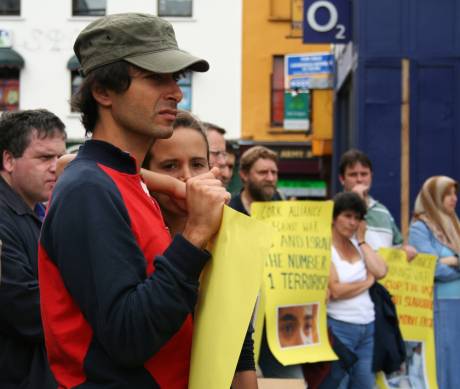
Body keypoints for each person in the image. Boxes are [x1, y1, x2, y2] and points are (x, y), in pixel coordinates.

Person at [38, 13, 230, 389]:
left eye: (176, 78)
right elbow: (130, 335)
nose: (176, 91)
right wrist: (194, 236)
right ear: (104, 91)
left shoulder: (119, 180)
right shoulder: (90, 189)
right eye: (157, 77)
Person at [143, 110, 257, 387]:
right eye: (170, 166)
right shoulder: (135, 233)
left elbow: (239, 342)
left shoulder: (227, 238)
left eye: (197, 164)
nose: (188, 177)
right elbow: (71, 163)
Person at [0, 109, 66, 389]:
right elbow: (26, 309)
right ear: (8, 160)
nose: (56, 167)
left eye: (60, 158)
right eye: (43, 158)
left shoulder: (38, 211)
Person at [328, 191, 387, 389]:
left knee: (365, 384)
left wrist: (362, 240)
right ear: (334, 217)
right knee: (338, 384)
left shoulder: (358, 244)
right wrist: (367, 282)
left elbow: (380, 271)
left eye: (357, 218)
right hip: (338, 327)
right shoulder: (325, 247)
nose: (352, 223)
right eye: (347, 216)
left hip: (367, 327)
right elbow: (335, 290)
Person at [408, 176, 460, 389]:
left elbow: (441, 264)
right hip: (441, 304)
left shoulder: (455, 224)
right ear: (433, 197)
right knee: (445, 360)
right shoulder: (421, 228)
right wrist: (456, 262)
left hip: (456, 303)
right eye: (446, 194)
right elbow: (431, 267)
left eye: (454, 193)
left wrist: (452, 261)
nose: (453, 199)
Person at [339, 149, 416, 259]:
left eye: (364, 174)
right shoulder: (334, 210)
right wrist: (355, 202)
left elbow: (396, 246)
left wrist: (404, 250)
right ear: (342, 179)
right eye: (353, 175)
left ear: (371, 176)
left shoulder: (383, 211)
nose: (359, 179)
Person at [229, 145, 281, 215]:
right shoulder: (230, 211)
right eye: (263, 172)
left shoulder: (282, 203)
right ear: (244, 175)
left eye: (274, 172)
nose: (270, 178)